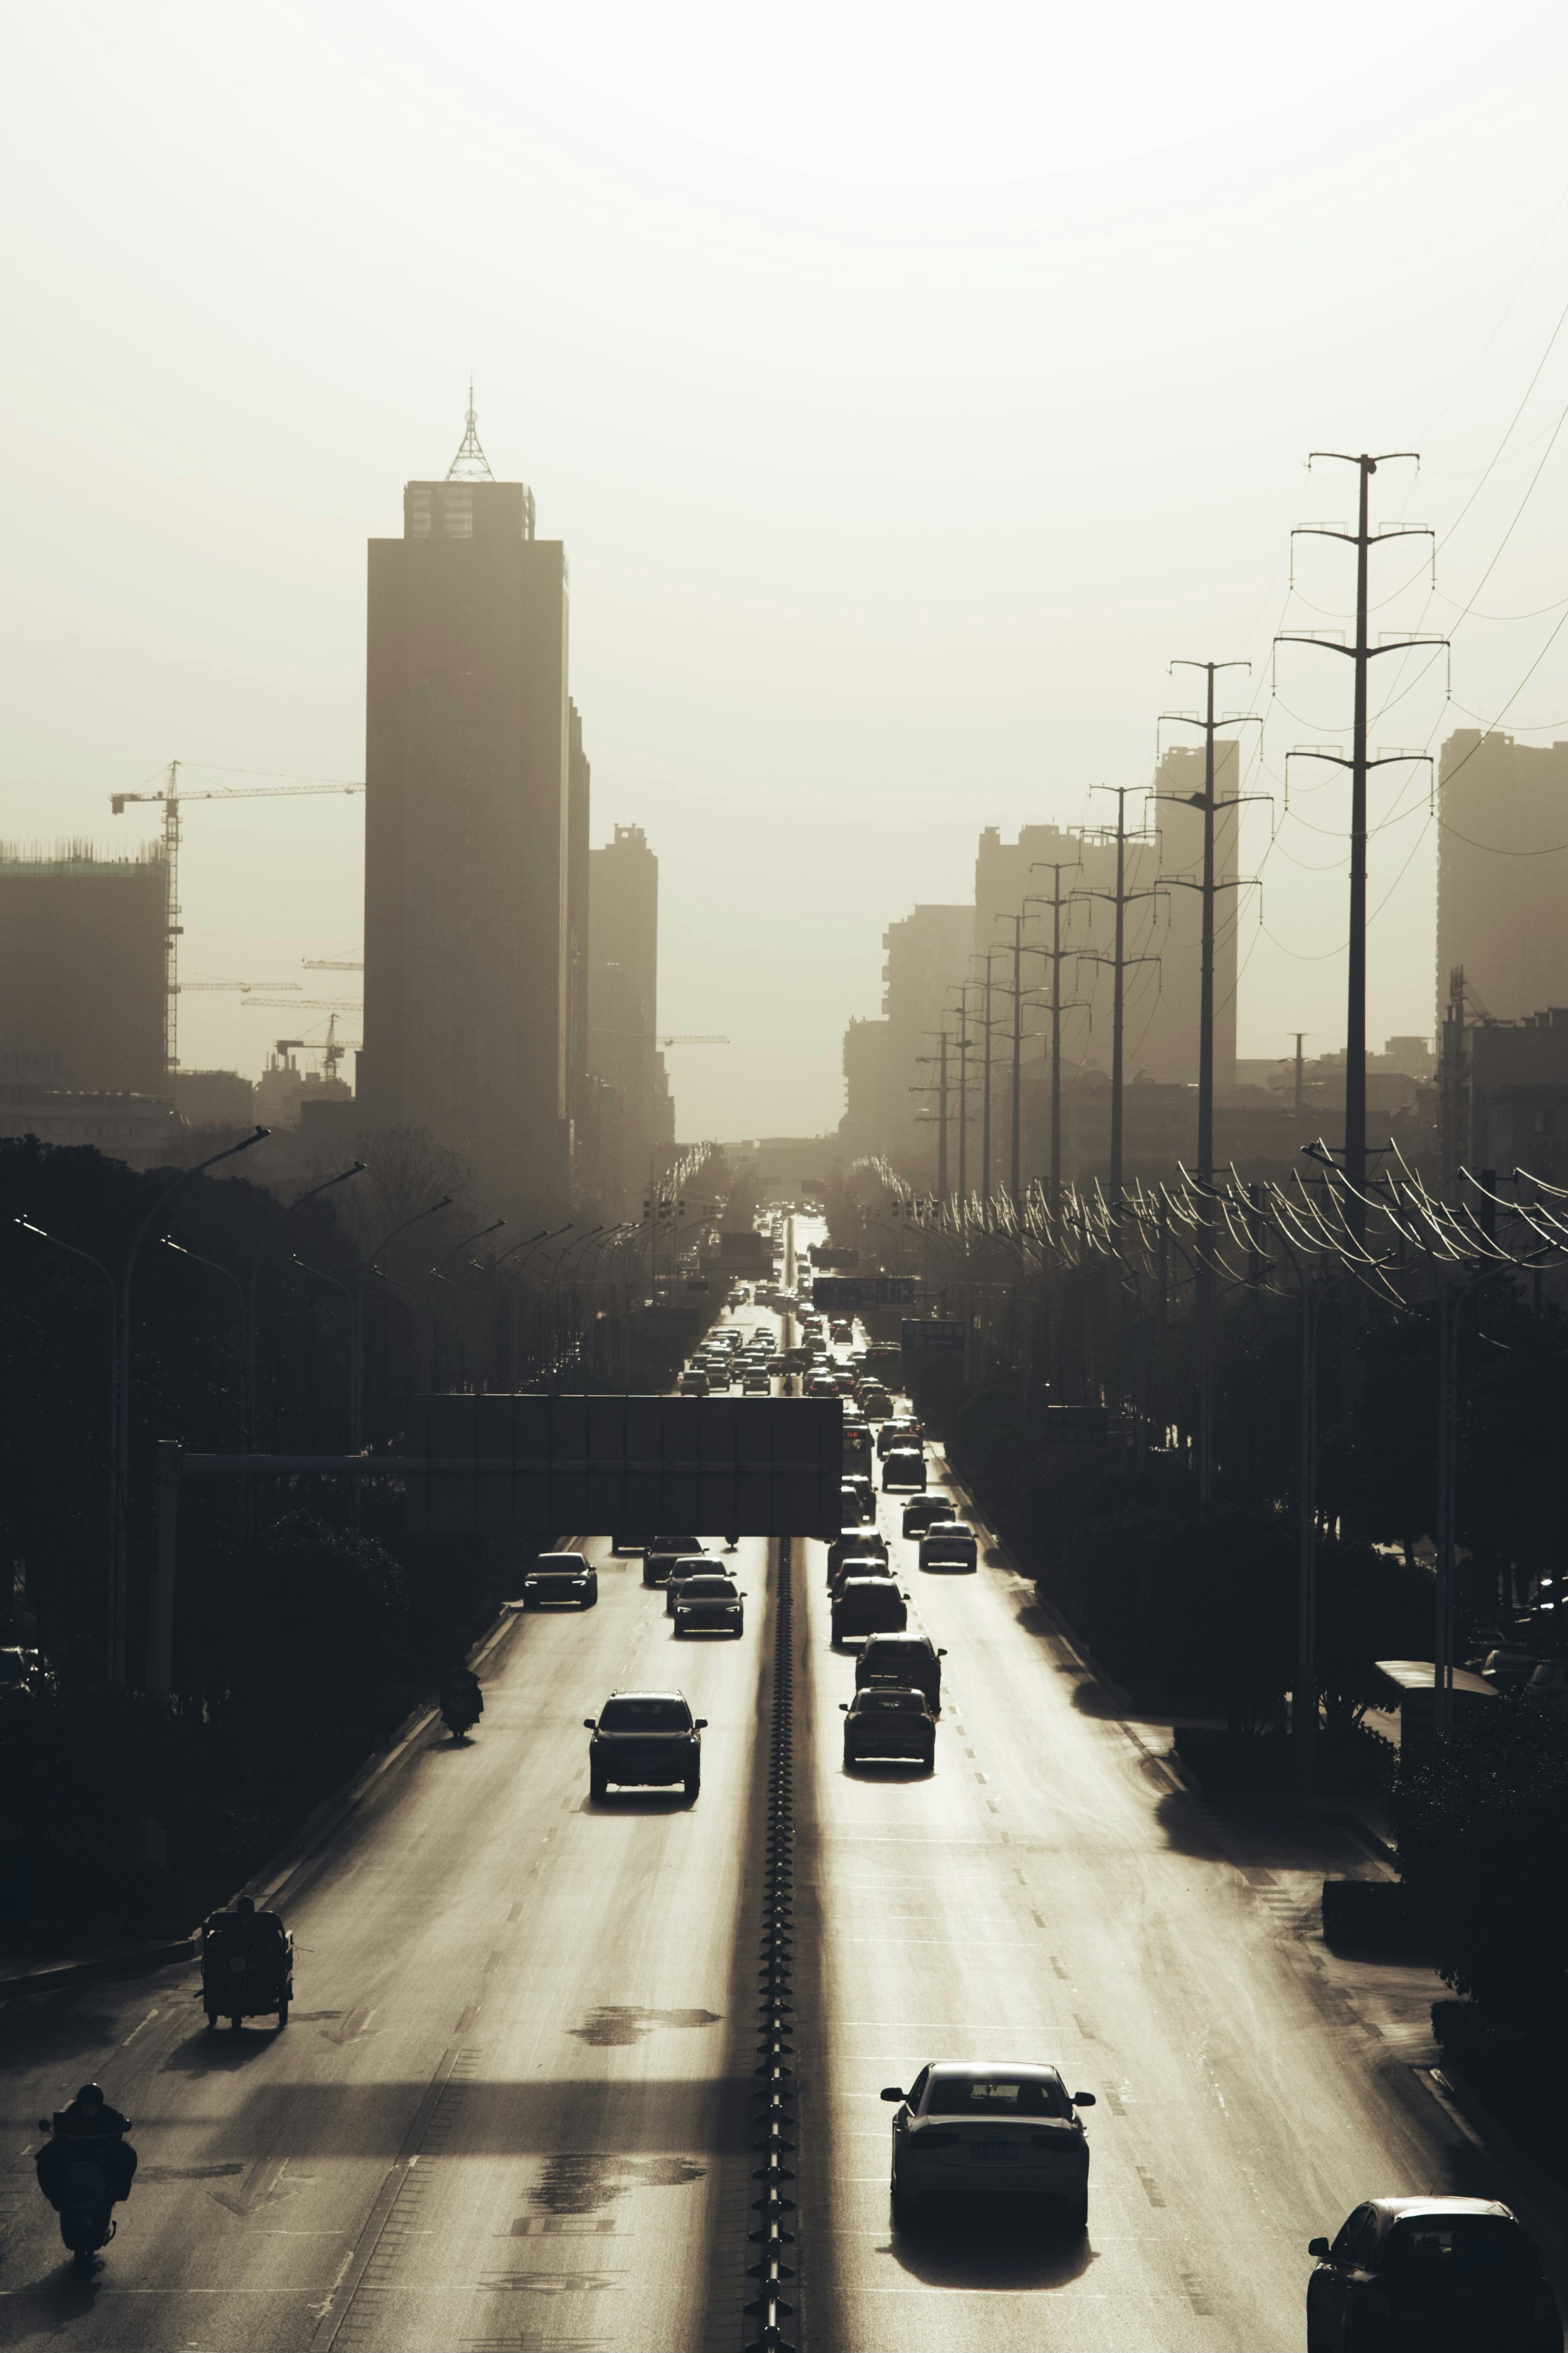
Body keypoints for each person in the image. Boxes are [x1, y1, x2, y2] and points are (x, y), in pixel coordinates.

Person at [39, 2083, 137, 2205]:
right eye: (86, 2105)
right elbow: (59, 2139)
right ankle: (56, 2194)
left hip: (102, 2162)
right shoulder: (69, 2118)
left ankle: (118, 2191)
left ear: (99, 2104)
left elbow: (119, 2132)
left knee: (126, 2151)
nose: (89, 2108)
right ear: (80, 2104)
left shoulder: (111, 2117)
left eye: (93, 2105)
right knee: (46, 2154)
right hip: (72, 2161)